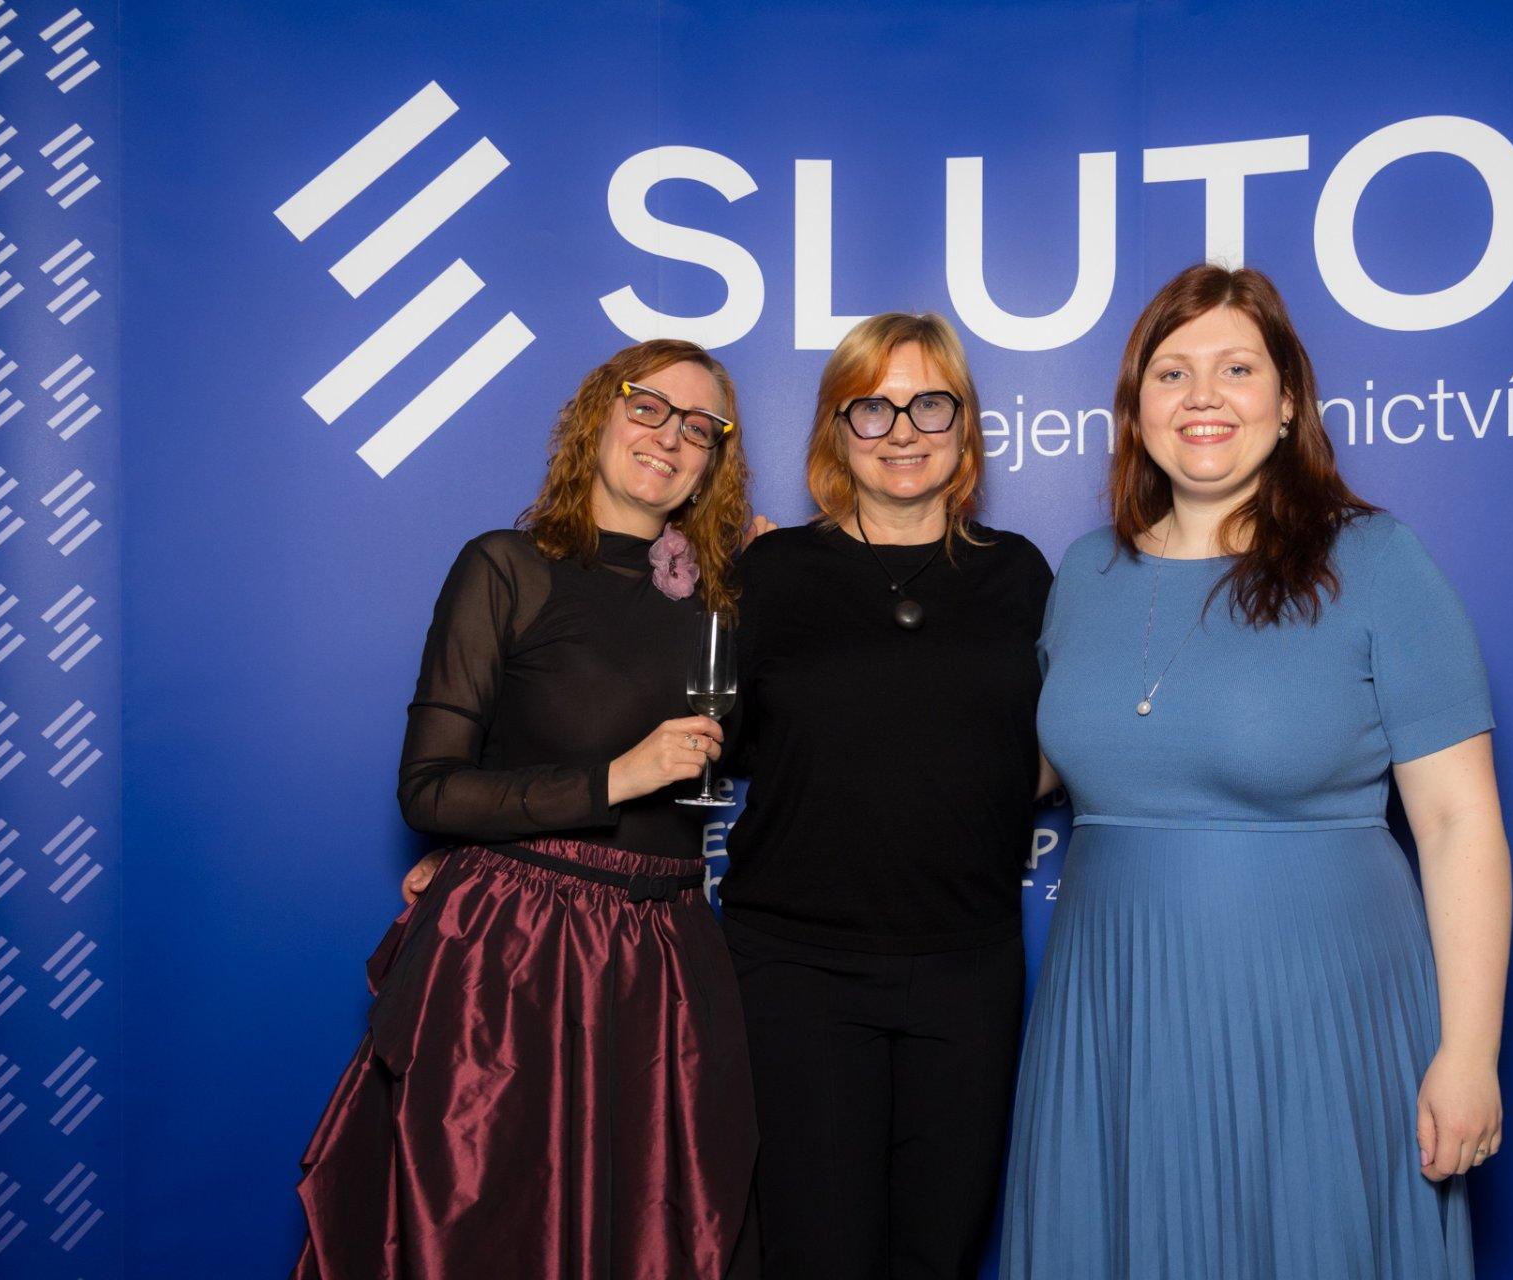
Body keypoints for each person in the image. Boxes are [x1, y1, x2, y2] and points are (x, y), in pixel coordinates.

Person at [1000, 265, 1512, 1279]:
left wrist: (1469, 1054)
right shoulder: (1085, 573)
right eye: (1172, 372)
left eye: (1237, 368)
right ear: (1135, 408)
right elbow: (1027, 769)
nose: (1203, 395)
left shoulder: (1376, 560)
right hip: (1115, 1015)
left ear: (1287, 403)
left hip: (1317, 1015)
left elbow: (1459, 823)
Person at [291, 339, 760, 1280]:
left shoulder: (722, 599)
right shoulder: (507, 567)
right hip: (517, 963)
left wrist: (777, 570)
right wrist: (612, 780)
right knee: (489, 1235)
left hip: (670, 960)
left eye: (700, 426)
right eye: (648, 406)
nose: (671, 436)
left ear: (716, 458)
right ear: (597, 417)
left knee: (665, 1240)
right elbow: (430, 788)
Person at [722, 313, 1053, 1279]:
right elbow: (696, 739)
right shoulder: (769, 572)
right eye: (872, 409)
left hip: (967, 966)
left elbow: (1064, 742)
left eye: (929, 405)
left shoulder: (1021, 573)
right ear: (837, 430)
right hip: (797, 969)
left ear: (964, 425)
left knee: (938, 1254)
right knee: (815, 1255)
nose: (902, 431)